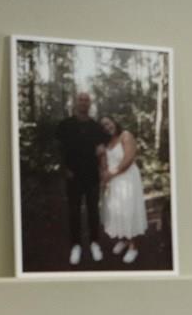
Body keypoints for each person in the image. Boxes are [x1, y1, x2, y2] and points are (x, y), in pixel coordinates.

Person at [52, 90, 109, 267]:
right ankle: (75, 246)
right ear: (75, 103)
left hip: (92, 176)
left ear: (90, 104)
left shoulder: (96, 127)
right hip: (73, 176)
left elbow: (103, 149)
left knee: (93, 211)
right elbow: (58, 149)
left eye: (86, 100)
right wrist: (64, 169)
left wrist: (103, 169)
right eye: (80, 99)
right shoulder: (65, 125)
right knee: (74, 212)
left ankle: (94, 243)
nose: (83, 102)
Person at [100, 121, 149, 264]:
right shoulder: (107, 143)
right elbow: (104, 163)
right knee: (117, 210)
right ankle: (124, 239)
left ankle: (133, 247)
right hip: (114, 181)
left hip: (127, 178)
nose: (107, 127)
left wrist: (111, 174)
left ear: (114, 122)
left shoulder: (125, 135)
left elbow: (128, 159)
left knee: (128, 210)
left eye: (108, 123)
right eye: (103, 126)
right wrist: (105, 178)